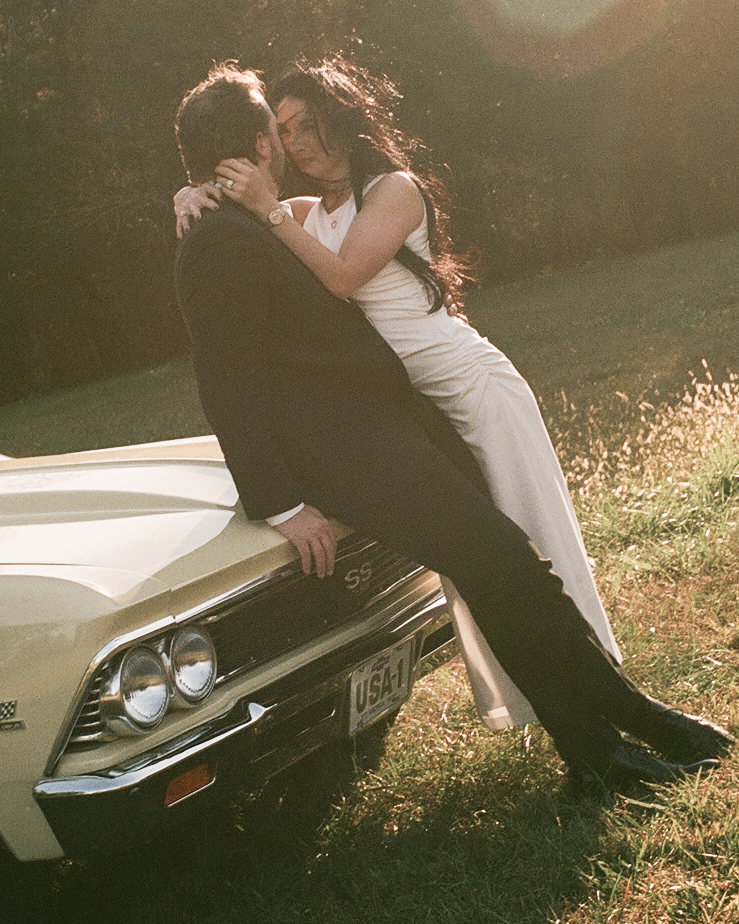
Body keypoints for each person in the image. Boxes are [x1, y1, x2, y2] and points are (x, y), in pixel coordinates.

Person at [173, 61, 734, 789]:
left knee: (503, 570)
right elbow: (229, 383)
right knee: (505, 565)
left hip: (400, 425)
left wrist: (197, 190)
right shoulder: (218, 240)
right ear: (258, 143)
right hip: (352, 454)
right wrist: (280, 502)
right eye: (277, 133)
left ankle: (595, 753)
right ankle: (642, 723)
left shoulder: (251, 218)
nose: (289, 144)